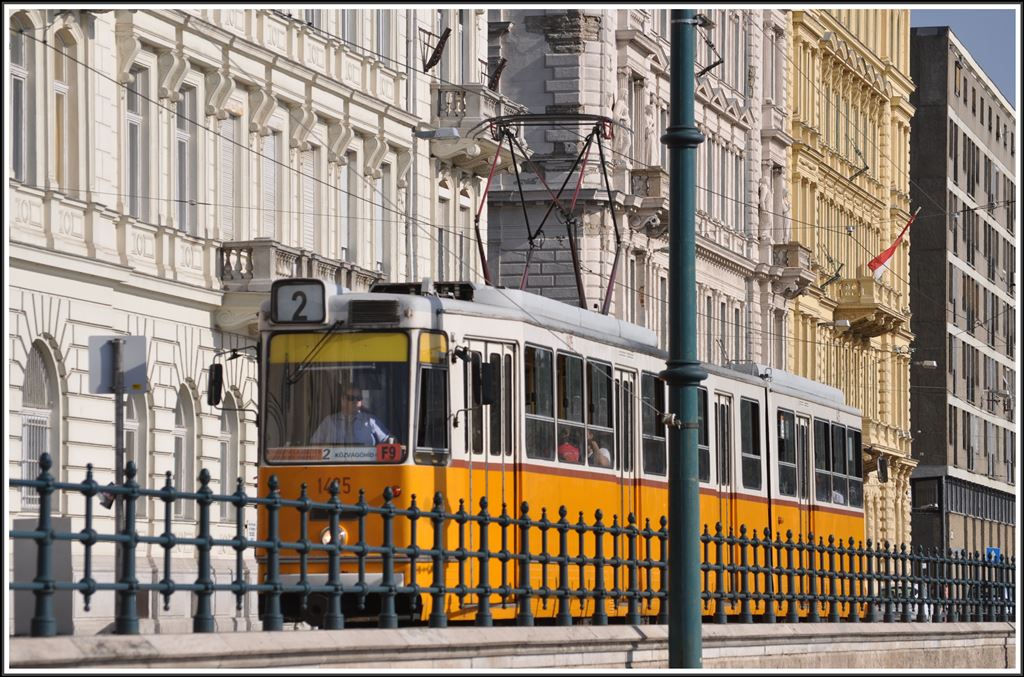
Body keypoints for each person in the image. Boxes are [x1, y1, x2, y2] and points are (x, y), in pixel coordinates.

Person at [311, 386, 390, 446]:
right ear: (343, 400)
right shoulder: (329, 421)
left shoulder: (370, 420)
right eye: (351, 398)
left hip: (365, 465)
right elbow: (314, 444)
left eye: (358, 398)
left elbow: (388, 439)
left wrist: (391, 441)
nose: (355, 401)